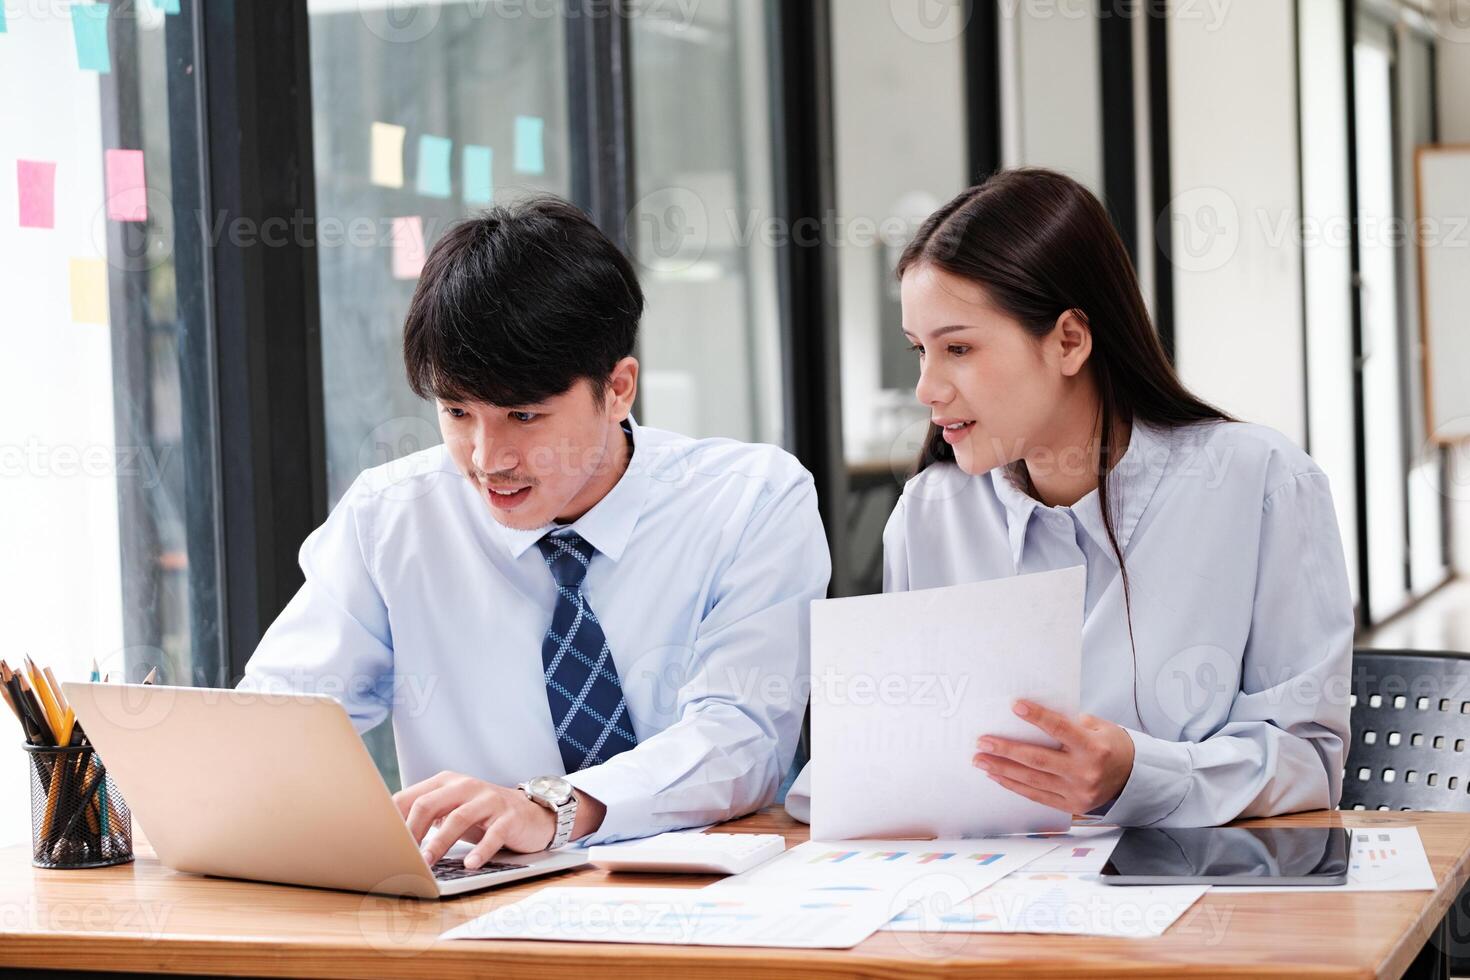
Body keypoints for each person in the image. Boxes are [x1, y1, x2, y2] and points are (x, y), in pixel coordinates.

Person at [240, 197, 830, 868]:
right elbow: (282, 719)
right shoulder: (392, 516)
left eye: (523, 416)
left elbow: (742, 741)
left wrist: (551, 807)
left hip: (699, 902)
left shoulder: (749, 501)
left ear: (618, 388)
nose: (488, 458)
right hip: (474, 911)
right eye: (457, 411)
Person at [788, 168, 1351, 827]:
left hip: (1201, 903)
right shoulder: (930, 514)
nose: (927, 388)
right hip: (993, 899)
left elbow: (1311, 760)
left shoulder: (1262, 482)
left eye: (959, 348)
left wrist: (1137, 774)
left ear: (1069, 340)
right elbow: (909, 754)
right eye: (919, 351)